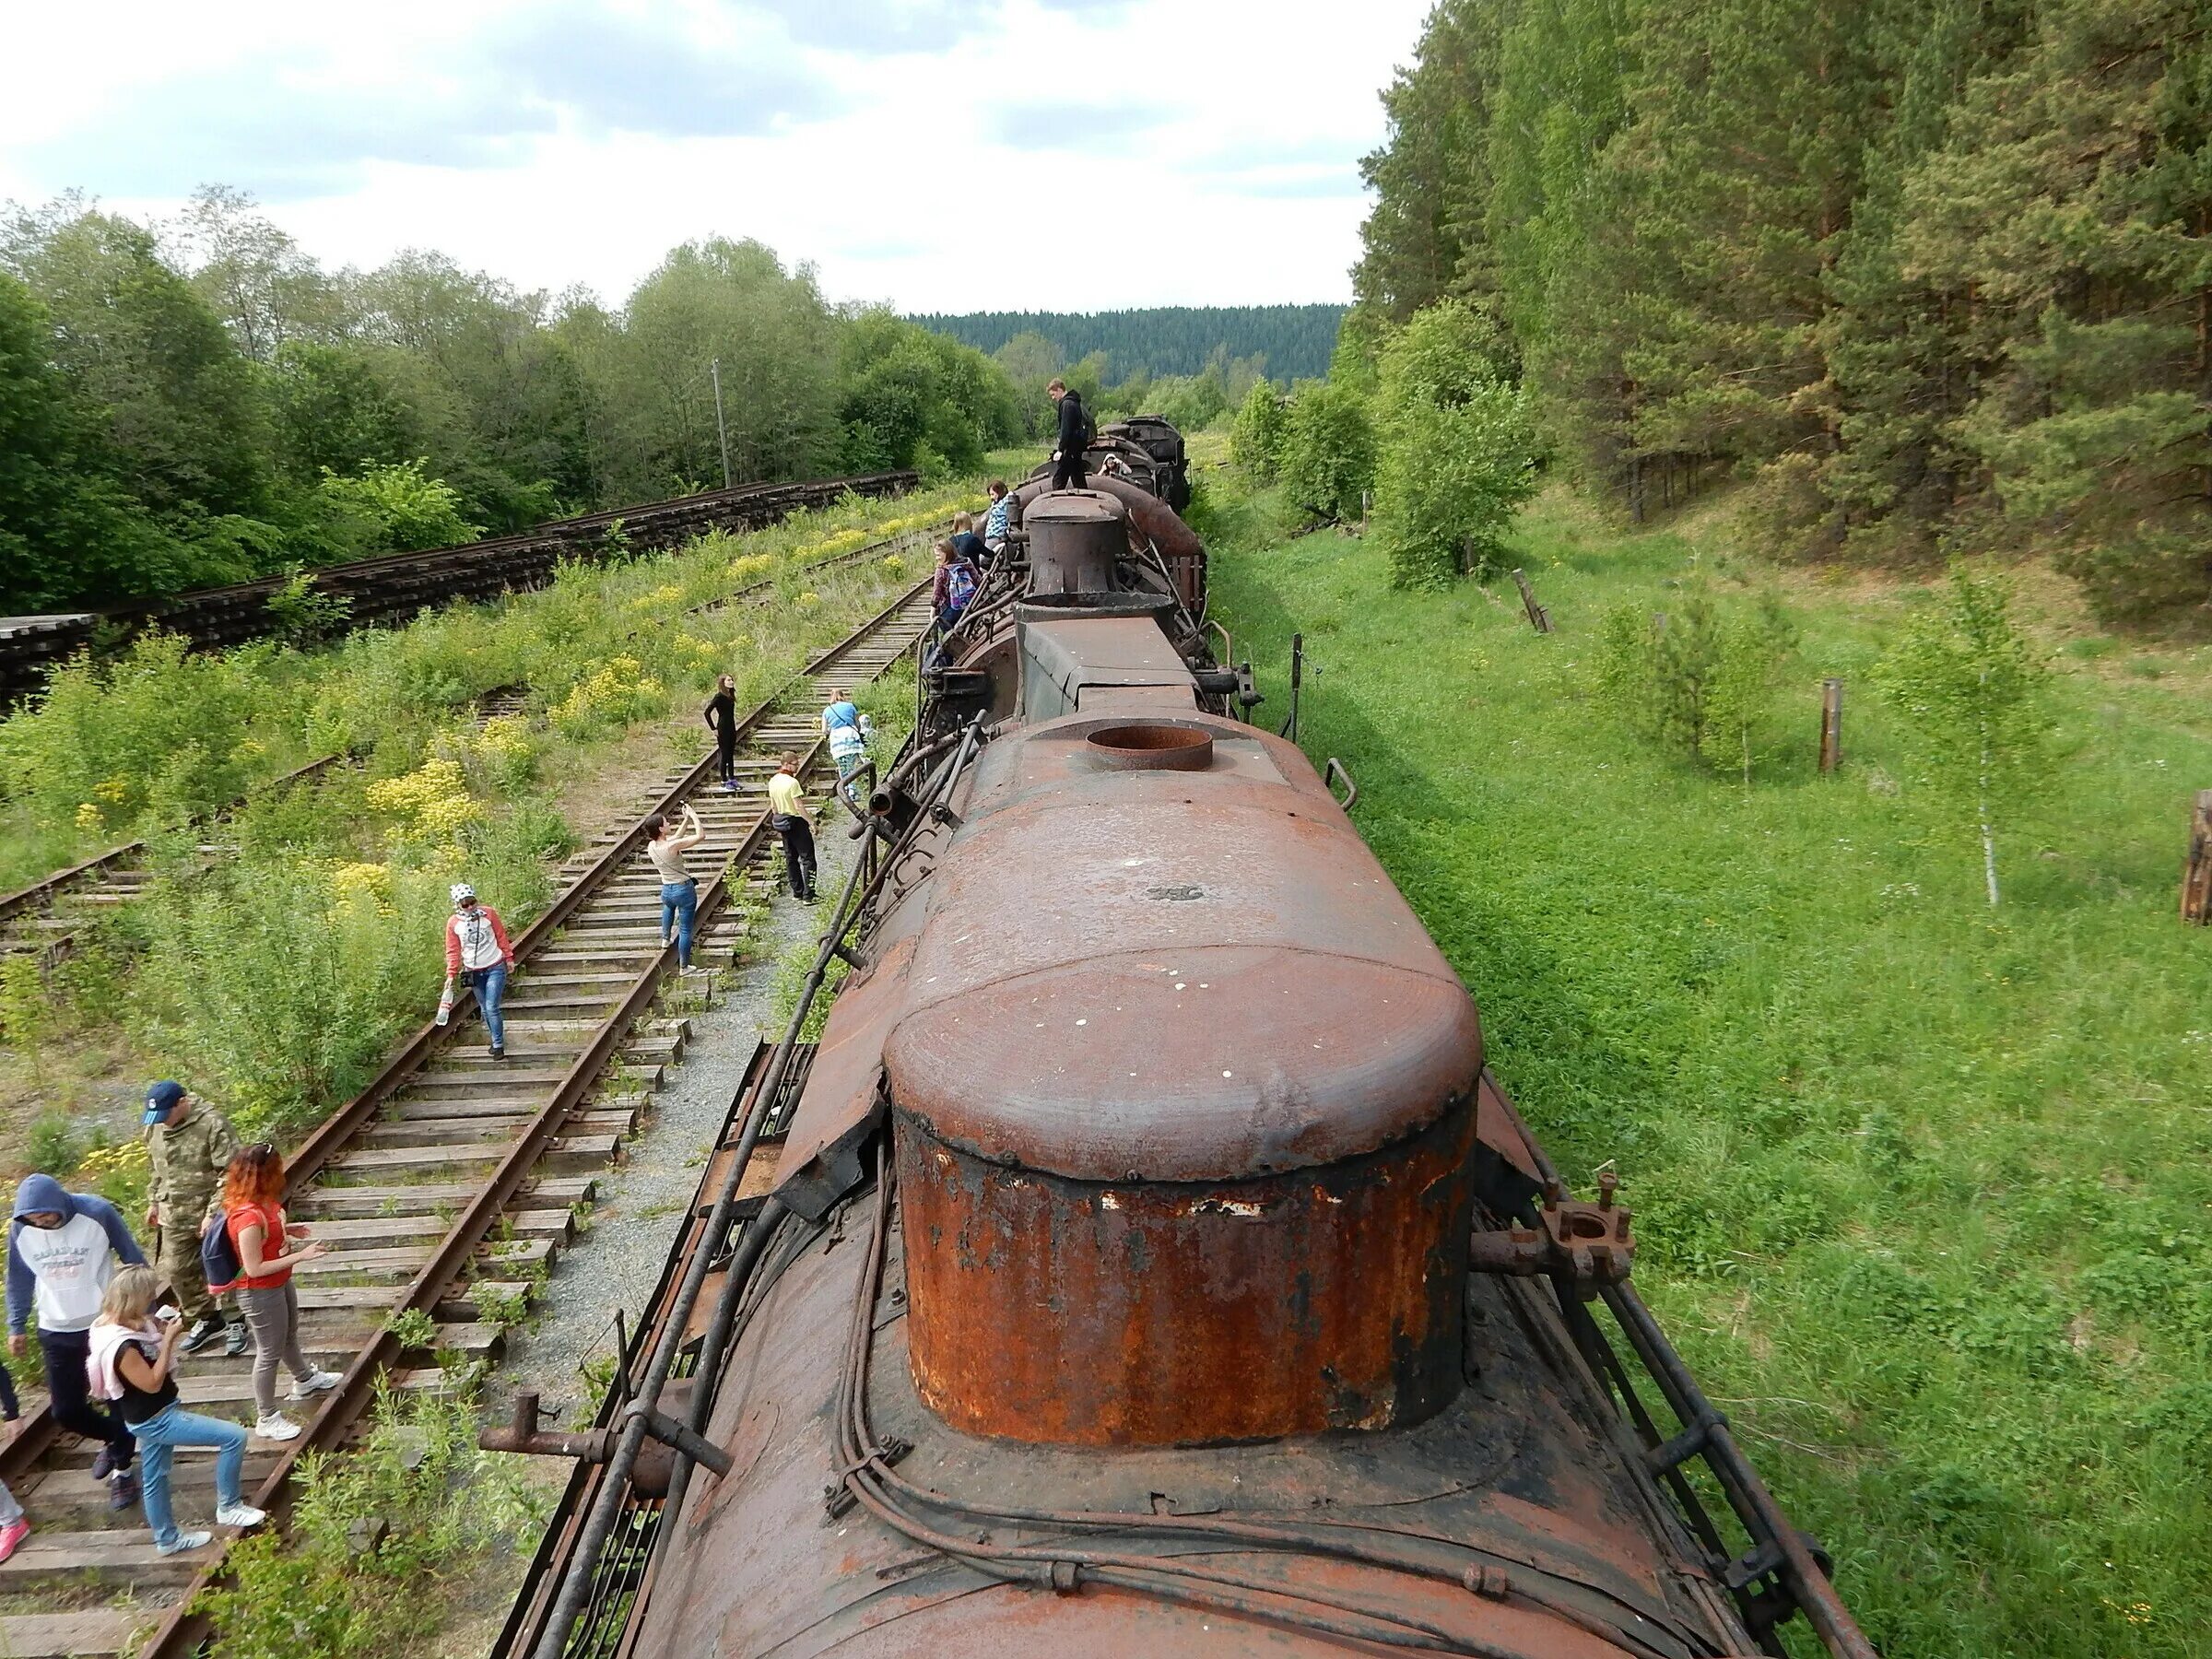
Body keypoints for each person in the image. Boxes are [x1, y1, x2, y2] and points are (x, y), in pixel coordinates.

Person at [88, 1266, 265, 1556]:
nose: (150, 1302)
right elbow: (152, 1383)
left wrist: (155, 1324)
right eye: (147, 1297)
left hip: (145, 1417)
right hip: (156, 1419)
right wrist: (168, 1339)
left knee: (155, 1477)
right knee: (234, 1437)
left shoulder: (109, 1324)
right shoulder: (122, 1347)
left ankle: (167, 1539)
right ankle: (229, 1506)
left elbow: (141, 1330)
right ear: (132, 1299)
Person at [6, 1174, 142, 1509]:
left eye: (47, 1216)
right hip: (55, 1327)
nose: (42, 1222)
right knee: (66, 1410)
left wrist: (145, 1310)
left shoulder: (97, 1212)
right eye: (35, 1219)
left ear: (60, 1203)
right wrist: (16, 1324)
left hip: (105, 1324)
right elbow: (19, 1277)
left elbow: (132, 1255)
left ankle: (123, 1472)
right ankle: (117, 1437)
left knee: (115, 1396)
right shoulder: (22, 1229)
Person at [221, 1145, 337, 1442]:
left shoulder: (264, 1203)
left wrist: (288, 1230)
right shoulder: (247, 1219)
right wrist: (303, 1256)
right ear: (266, 1175)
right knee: (268, 1351)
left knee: (288, 1335)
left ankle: (304, 1379)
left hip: (279, 1283)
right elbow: (254, 1268)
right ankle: (267, 1416)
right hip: (259, 1292)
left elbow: (269, 1234)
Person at [141, 1081, 246, 1359]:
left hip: (212, 1212)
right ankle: (207, 1318)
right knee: (177, 1269)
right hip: (173, 1213)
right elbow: (156, 1167)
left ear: (182, 1103)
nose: (162, 1121)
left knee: (222, 1265)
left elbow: (232, 1173)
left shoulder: (212, 1123)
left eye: (166, 1114)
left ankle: (236, 1320)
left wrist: (213, 1212)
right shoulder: (156, 1126)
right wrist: (153, 1199)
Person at [443, 883, 515, 1060]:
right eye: (465, 904)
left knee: (492, 1006)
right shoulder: (453, 924)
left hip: (495, 966)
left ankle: (498, 1045)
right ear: (457, 905)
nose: (470, 907)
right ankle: (494, 1038)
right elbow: (452, 950)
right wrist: (451, 974)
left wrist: (509, 957)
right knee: (484, 1008)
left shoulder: (489, 914)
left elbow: (501, 935)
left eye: (472, 902)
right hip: (473, 970)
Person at [646, 805, 707, 972]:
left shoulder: (652, 846)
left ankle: (665, 939)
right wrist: (694, 815)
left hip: (667, 890)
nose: (668, 823)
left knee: (668, 907)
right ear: (660, 828)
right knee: (686, 929)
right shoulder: (671, 847)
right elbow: (700, 836)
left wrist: (685, 819)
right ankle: (684, 967)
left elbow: (677, 837)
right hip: (683, 890)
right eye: (666, 822)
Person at [766, 753, 817, 901]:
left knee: (791, 858)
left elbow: (773, 806)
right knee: (808, 859)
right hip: (796, 822)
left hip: (783, 822)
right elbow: (799, 806)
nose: (798, 766)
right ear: (787, 764)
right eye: (795, 764)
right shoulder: (792, 783)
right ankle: (809, 894)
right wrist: (811, 822)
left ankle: (797, 892)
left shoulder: (773, 781)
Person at [820, 689, 871, 790]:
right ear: (843, 696)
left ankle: (847, 789)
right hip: (851, 736)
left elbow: (824, 730)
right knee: (853, 765)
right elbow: (857, 724)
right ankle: (855, 790)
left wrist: (832, 731)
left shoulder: (827, 710)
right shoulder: (850, 706)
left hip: (837, 741)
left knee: (842, 766)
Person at [1048, 379, 1089, 491]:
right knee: (1078, 477)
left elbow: (1066, 429)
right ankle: (1085, 497)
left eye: (1053, 394)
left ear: (1060, 390)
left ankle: (1054, 502)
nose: (1053, 398)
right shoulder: (1074, 402)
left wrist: (1061, 449)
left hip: (1070, 448)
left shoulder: (1067, 405)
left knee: (1059, 480)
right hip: (1076, 447)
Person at [931, 539, 980, 630]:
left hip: (952, 606)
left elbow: (937, 592)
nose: (937, 558)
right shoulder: (966, 562)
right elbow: (977, 580)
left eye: (938, 555)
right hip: (971, 603)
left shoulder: (941, 570)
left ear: (947, 553)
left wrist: (932, 609)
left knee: (943, 626)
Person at [704, 674, 740, 794]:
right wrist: (713, 728)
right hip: (723, 728)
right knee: (724, 754)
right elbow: (707, 712)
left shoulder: (730, 695)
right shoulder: (719, 696)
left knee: (730, 754)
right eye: (728, 680)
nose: (731, 681)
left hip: (731, 727)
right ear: (723, 683)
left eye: (731, 680)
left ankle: (732, 778)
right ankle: (724, 780)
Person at [982, 480, 1014, 555]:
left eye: (993, 494)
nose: (991, 497)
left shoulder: (1005, 502)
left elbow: (1010, 496)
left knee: (983, 559)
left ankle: (997, 548)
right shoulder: (995, 504)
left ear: (999, 492)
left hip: (997, 534)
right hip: (990, 535)